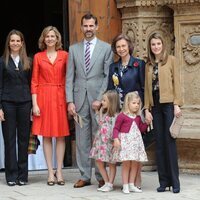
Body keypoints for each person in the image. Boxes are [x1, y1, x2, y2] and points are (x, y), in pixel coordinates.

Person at [66, 13, 113, 188]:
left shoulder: (106, 48)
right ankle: (85, 175)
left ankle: (101, 175)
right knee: (81, 139)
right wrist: (70, 101)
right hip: (79, 100)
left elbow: (107, 75)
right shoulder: (73, 49)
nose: (88, 29)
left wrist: (101, 99)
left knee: (100, 138)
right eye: (85, 26)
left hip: (98, 101)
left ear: (97, 26)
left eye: (91, 26)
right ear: (81, 27)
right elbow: (70, 77)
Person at [31, 26, 70, 186]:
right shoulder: (38, 57)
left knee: (60, 135)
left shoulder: (65, 55)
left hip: (60, 96)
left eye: (53, 36)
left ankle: (59, 171)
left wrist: (70, 101)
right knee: (46, 135)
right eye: (47, 36)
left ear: (57, 38)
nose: (50, 39)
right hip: (44, 97)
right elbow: (34, 81)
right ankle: (50, 173)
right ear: (43, 39)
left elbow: (69, 78)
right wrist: (35, 104)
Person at [144, 32, 183, 193]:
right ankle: (163, 181)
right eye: (153, 44)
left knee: (169, 143)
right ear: (150, 47)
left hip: (168, 105)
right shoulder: (148, 65)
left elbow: (178, 84)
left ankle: (175, 182)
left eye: (158, 44)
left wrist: (177, 104)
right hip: (155, 107)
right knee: (159, 144)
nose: (156, 47)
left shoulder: (172, 60)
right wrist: (146, 109)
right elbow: (146, 88)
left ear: (163, 44)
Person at [107, 33, 146, 190]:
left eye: (123, 46)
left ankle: (136, 181)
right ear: (115, 49)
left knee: (136, 146)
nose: (121, 49)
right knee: (124, 148)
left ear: (128, 46)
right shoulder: (113, 67)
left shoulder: (139, 64)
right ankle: (125, 181)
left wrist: (143, 109)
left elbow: (144, 88)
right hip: (120, 112)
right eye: (118, 47)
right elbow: (111, 89)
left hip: (135, 110)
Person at [0, 29, 32, 186]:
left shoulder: (28, 61)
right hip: (7, 103)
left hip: (25, 103)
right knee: (9, 140)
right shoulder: (2, 61)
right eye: (12, 40)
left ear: (22, 43)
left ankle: (23, 176)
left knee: (23, 140)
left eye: (18, 40)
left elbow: (32, 84)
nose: (15, 43)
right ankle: (11, 175)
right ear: (8, 43)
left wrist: (33, 105)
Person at [112, 91, 149, 194]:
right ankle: (125, 185)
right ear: (127, 103)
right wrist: (115, 139)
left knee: (135, 164)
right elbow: (115, 128)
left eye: (138, 103)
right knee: (126, 164)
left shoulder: (137, 117)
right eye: (134, 103)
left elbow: (141, 129)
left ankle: (132, 184)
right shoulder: (122, 116)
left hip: (136, 144)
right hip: (126, 144)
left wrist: (146, 123)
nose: (136, 105)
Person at [89, 90, 120, 192]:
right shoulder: (104, 113)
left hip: (110, 143)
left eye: (104, 100)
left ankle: (110, 183)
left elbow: (115, 130)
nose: (102, 102)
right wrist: (100, 112)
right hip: (101, 142)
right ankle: (106, 182)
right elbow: (99, 123)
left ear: (111, 102)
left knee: (111, 163)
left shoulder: (116, 116)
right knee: (99, 161)